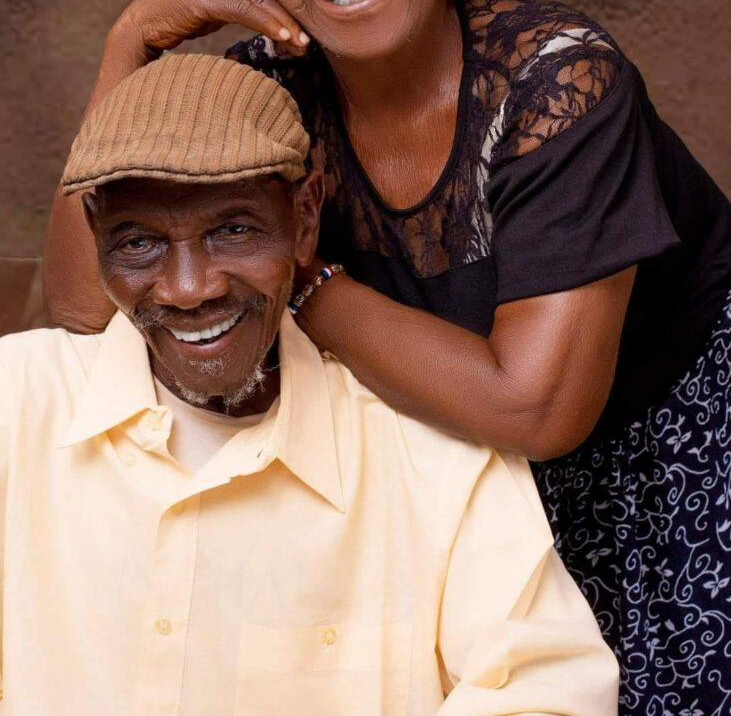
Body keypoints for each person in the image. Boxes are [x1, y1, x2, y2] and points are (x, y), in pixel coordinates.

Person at [42, 0, 731, 716]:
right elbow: (79, 303)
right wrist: (132, 40)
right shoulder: (263, 86)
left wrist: (310, 286)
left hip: (668, 443)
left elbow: (540, 410)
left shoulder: (558, 79)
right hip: (463, 461)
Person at [1, 52, 619, 715]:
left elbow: (550, 694)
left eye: (233, 230)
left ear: (303, 218)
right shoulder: (17, 404)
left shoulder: (432, 457)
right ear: (95, 234)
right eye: (138, 244)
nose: (188, 289)